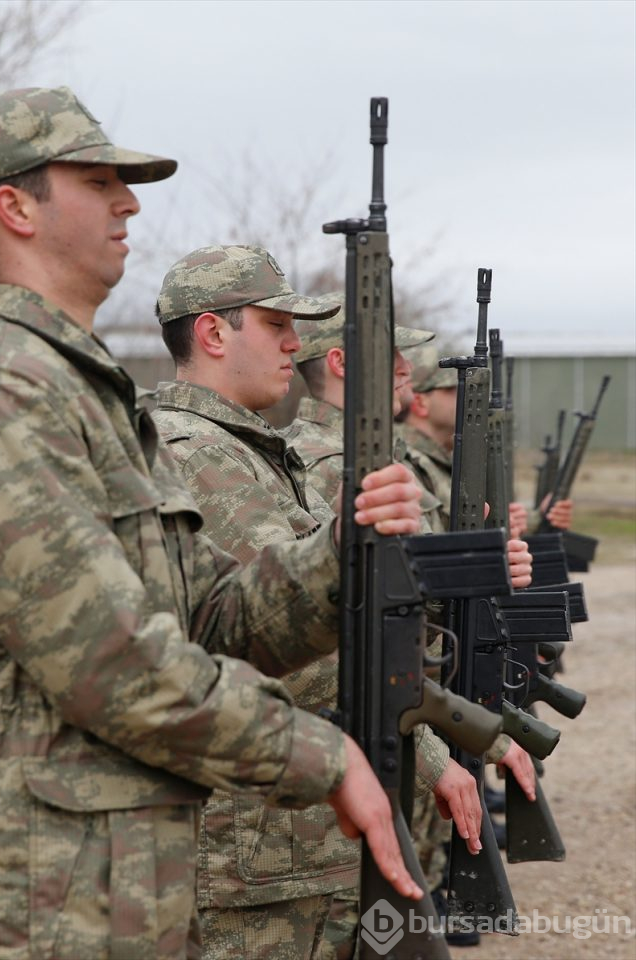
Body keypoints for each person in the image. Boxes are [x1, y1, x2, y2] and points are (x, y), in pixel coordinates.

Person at [0, 87, 424, 960]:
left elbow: (208, 624)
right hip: (32, 905)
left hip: (113, 894)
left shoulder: (93, 399)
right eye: (97, 181)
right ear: (13, 207)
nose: (128, 202)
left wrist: (345, 551)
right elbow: (109, 660)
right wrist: (322, 755)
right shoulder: (0, 392)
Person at [150, 245, 484, 959]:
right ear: (213, 334)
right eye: (276, 325)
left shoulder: (250, 452)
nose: (295, 345)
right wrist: (426, 737)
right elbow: (284, 647)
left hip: (293, 834)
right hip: (263, 844)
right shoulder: (196, 455)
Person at [286, 307, 537, 948]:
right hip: (369, 719)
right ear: (342, 364)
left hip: (412, 695)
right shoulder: (321, 463)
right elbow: (350, 626)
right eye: (393, 355)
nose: (410, 373)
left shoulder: (362, 458)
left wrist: (483, 562)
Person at [400, 342, 573, 537]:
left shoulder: (442, 459)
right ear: (421, 403)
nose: (467, 395)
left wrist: (536, 518)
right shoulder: (405, 463)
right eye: (453, 389)